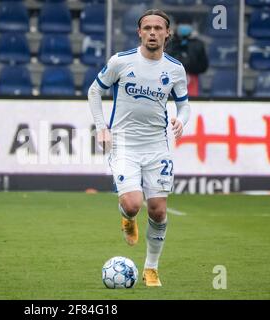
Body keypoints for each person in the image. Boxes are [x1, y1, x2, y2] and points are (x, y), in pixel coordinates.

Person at [87, 9, 191, 287]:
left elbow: (184, 103)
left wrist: (181, 120)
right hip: (124, 145)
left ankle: (151, 268)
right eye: (148, 28)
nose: (153, 32)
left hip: (158, 146)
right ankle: (126, 217)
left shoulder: (175, 69)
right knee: (133, 204)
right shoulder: (121, 62)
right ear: (139, 32)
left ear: (167, 33)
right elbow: (94, 90)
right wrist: (101, 126)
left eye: (159, 28)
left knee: (157, 210)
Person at [165, 22, 209, 97]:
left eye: (186, 24)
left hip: (192, 80)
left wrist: (189, 68)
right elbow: (166, 61)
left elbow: (203, 66)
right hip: (172, 79)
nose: (184, 26)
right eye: (182, 24)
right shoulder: (170, 43)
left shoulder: (198, 44)